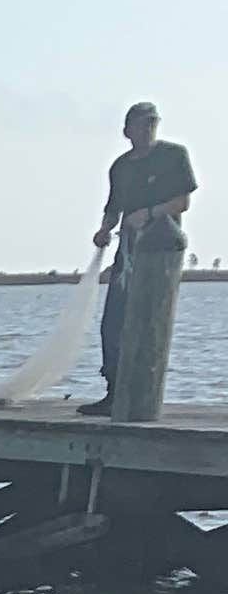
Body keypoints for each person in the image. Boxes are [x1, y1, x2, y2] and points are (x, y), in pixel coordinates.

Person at [89, 102, 195, 409]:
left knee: (149, 321)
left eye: (152, 123)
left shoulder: (174, 155)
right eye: (140, 124)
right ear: (127, 131)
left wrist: (148, 213)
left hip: (161, 253)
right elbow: (113, 207)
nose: (147, 129)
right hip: (128, 252)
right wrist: (104, 230)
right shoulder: (121, 167)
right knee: (114, 321)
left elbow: (183, 202)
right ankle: (114, 391)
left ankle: (142, 396)